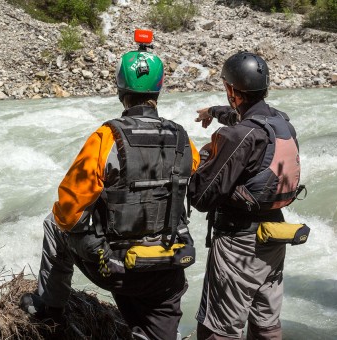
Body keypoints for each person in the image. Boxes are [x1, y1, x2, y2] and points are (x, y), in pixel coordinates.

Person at [20, 31, 200, 340]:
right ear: (158, 90)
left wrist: (96, 236)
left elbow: (68, 209)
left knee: (54, 223)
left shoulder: (107, 138)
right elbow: (194, 179)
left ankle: (50, 309)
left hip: (119, 267)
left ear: (120, 90)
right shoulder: (184, 139)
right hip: (168, 267)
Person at [188, 51, 304, 339]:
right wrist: (213, 112)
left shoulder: (237, 137)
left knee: (219, 328)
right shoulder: (280, 122)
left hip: (239, 243)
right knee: (266, 324)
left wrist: (201, 161)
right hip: (274, 236)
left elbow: (202, 198)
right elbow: (243, 116)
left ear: (231, 90)